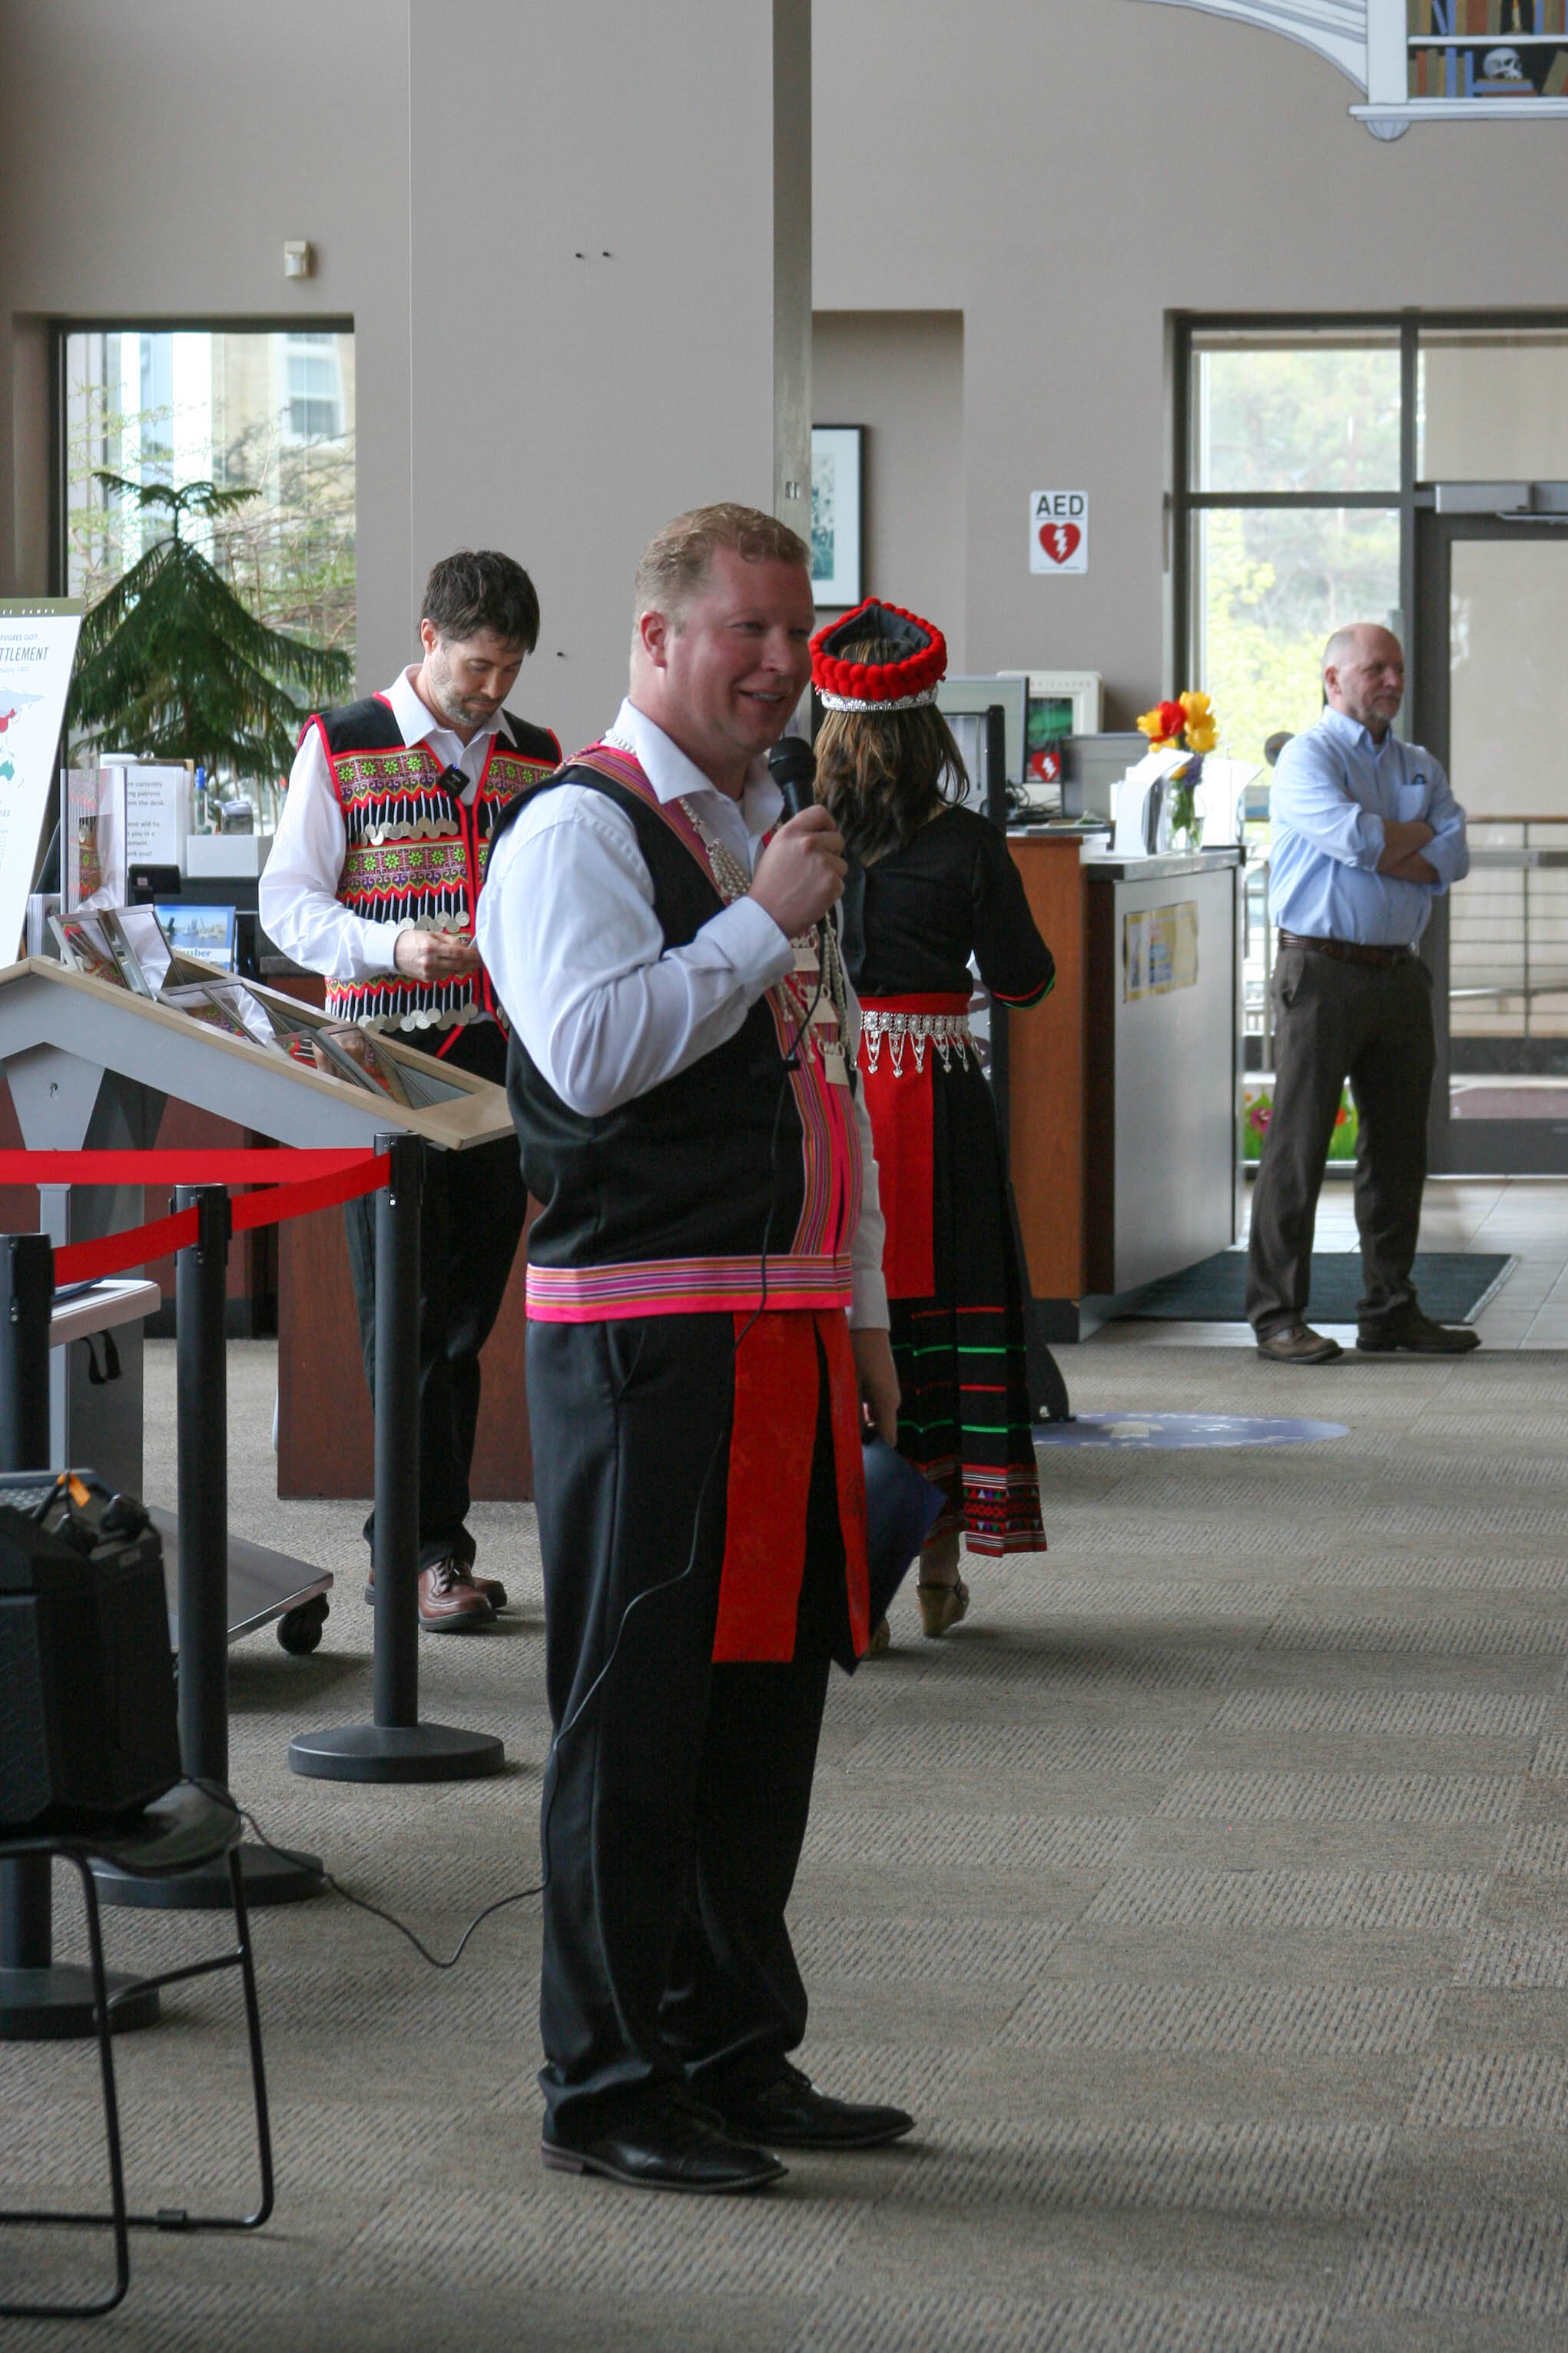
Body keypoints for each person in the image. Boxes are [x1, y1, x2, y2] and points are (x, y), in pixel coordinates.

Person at [477, 503, 913, 2195]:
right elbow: (587, 1057)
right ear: (656, 639)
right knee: (635, 1714)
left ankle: (734, 2045)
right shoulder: (581, 830)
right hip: (650, 1336)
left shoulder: (759, 821)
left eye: (796, 635)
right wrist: (755, 924)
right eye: (748, 630)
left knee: (759, 1715)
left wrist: (865, 1307)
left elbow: (826, 1076)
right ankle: (605, 2081)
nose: (780, 664)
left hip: (786, 1326)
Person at [260, 549, 560, 1626]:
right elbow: (286, 906)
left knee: (465, 1317)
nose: (493, 689)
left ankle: (430, 1546)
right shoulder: (341, 743)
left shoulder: (537, 758)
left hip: (497, 1063)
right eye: (479, 664)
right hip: (377, 1065)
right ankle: (422, 1551)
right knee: (405, 1312)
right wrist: (389, 948)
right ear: (429, 637)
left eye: (511, 669)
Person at [811, 600, 1053, 1644]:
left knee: (848, 1313)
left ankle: (841, 1566)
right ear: (933, 724)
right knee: (948, 1317)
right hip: (936, 1090)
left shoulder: (792, 828)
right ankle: (940, 1567)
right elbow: (1025, 979)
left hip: (824, 1084)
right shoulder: (966, 841)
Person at [1246, 621, 1477, 1363]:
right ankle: (1277, 1317)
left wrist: (1392, 838)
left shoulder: (1417, 763)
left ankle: (1389, 1310)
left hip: (1399, 975)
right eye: (1376, 669)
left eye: (1398, 670)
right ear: (1334, 679)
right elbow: (1362, 843)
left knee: (1399, 1152)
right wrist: (1408, 839)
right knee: (1298, 1149)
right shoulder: (1305, 759)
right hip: (1321, 972)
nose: (1392, 682)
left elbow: (1455, 854)